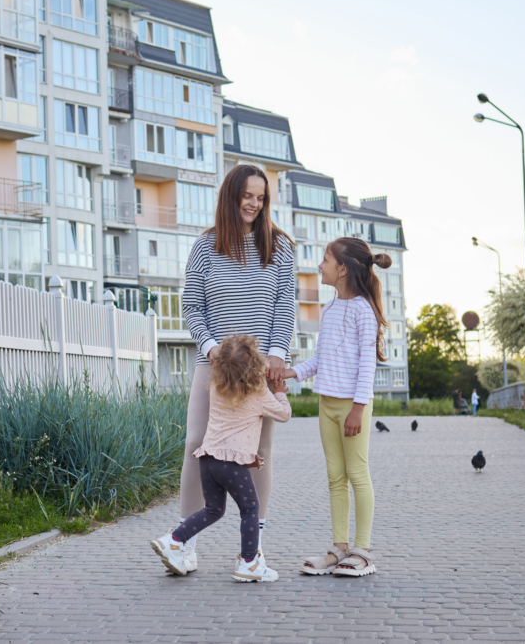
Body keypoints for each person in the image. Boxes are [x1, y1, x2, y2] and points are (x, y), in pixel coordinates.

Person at [177, 164, 295, 572]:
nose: (254, 203)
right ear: (231, 195)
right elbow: (192, 304)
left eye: (261, 197)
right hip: (213, 366)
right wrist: (211, 349)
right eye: (247, 195)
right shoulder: (205, 245)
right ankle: (183, 546)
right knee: (197, 443)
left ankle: (252, 549)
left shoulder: (279, 247)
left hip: (260, 369)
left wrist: (278, 352)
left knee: (258, 452)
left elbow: (285, 306)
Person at [285, 237, 391, 578]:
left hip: (352, 406)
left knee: (357, 474)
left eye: (326, 260)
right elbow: (322, 358)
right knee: (335, 477)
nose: (320, 265)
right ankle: (339, 547)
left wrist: (359, 409)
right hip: (326, 404)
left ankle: (363, 551)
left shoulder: (363, 310)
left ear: (342, 269)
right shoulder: (329, 309)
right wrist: (293, 372)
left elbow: (366, 366)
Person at [150, 335, 292, 582]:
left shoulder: (216, 387)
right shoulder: (258, 392)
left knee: (213, 509)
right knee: (250, 508)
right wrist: (279, 392)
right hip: (231, 464)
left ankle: (173, 540)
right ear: (255, 367)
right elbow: (284, 414)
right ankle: (249, 562)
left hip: (207, 459)